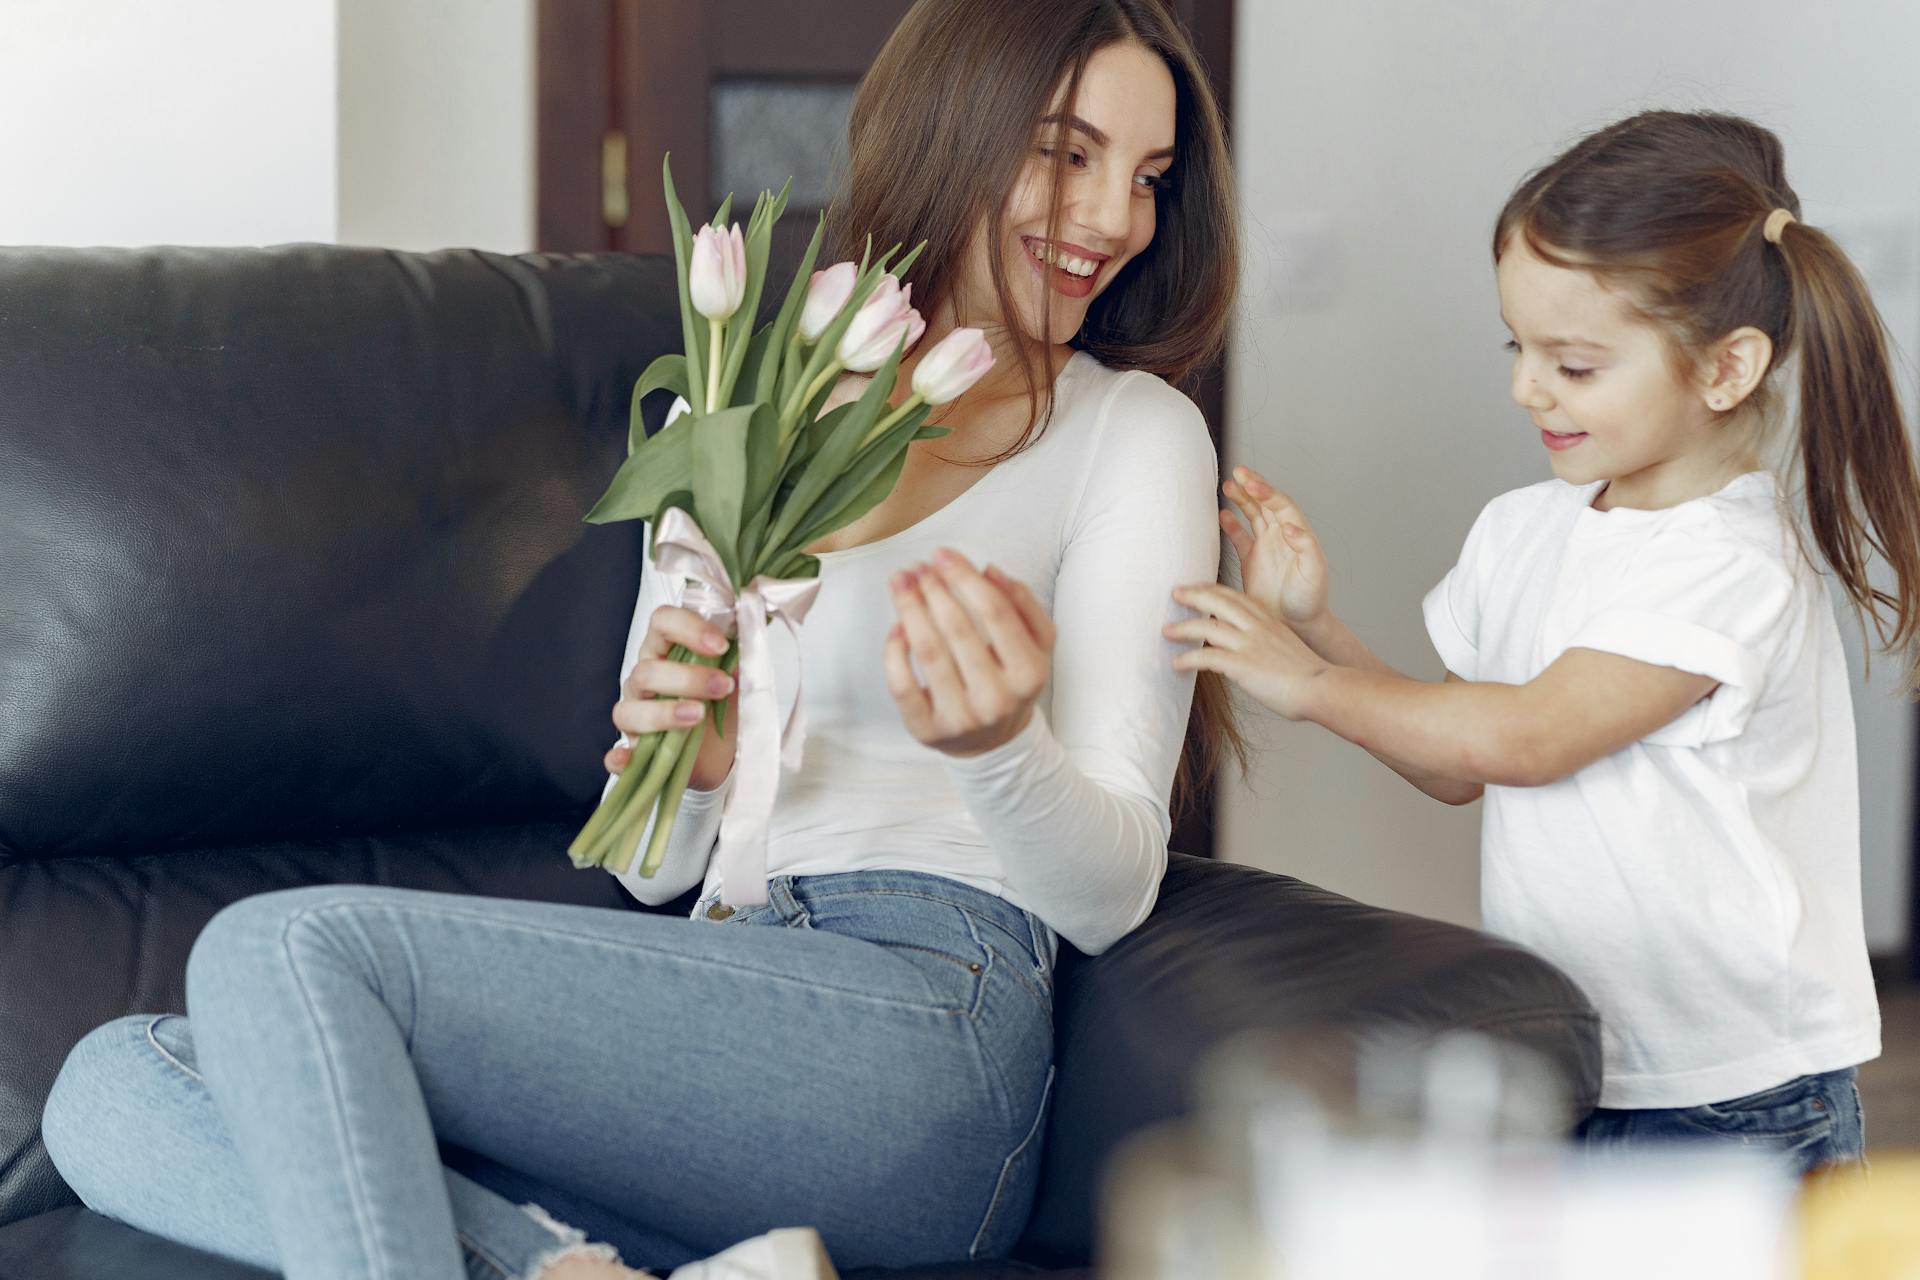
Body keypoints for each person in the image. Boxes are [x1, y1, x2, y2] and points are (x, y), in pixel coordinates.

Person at [40, 1, 1243, 1276]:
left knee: (278, 946)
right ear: (955, 128)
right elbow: (659, 868)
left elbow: (1113, 893)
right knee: (112, 1081)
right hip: (712, 999)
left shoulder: (1132, 433)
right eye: (1069, 154)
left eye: (1149, 179)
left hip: (925, 1021)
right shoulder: (744, 407)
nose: (1116, 218)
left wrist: (1000, 745)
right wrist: (700, 767)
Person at [1171, 110, 1915, 1175]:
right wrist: (1316, 630)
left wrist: (1305, 686)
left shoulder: (1729, 564)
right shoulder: (1522, 530)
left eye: (1573, 364)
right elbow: (1457, 760)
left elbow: (1525, 738)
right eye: (1518, 347)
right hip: (1573, 1061)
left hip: (1734, 1095)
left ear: (1725, 368)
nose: (1527, 387)